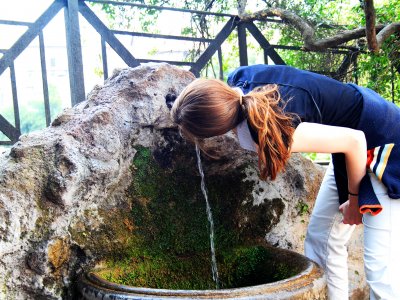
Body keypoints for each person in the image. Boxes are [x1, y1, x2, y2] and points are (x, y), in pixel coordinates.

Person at [170, 64, 400, 300]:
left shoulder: (275, 127)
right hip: (351, 141)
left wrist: (353, 200)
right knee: (322, 239)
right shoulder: (240, 80)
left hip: (386, 146)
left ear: (217, 130)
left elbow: (355, 142)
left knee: (382, 270)